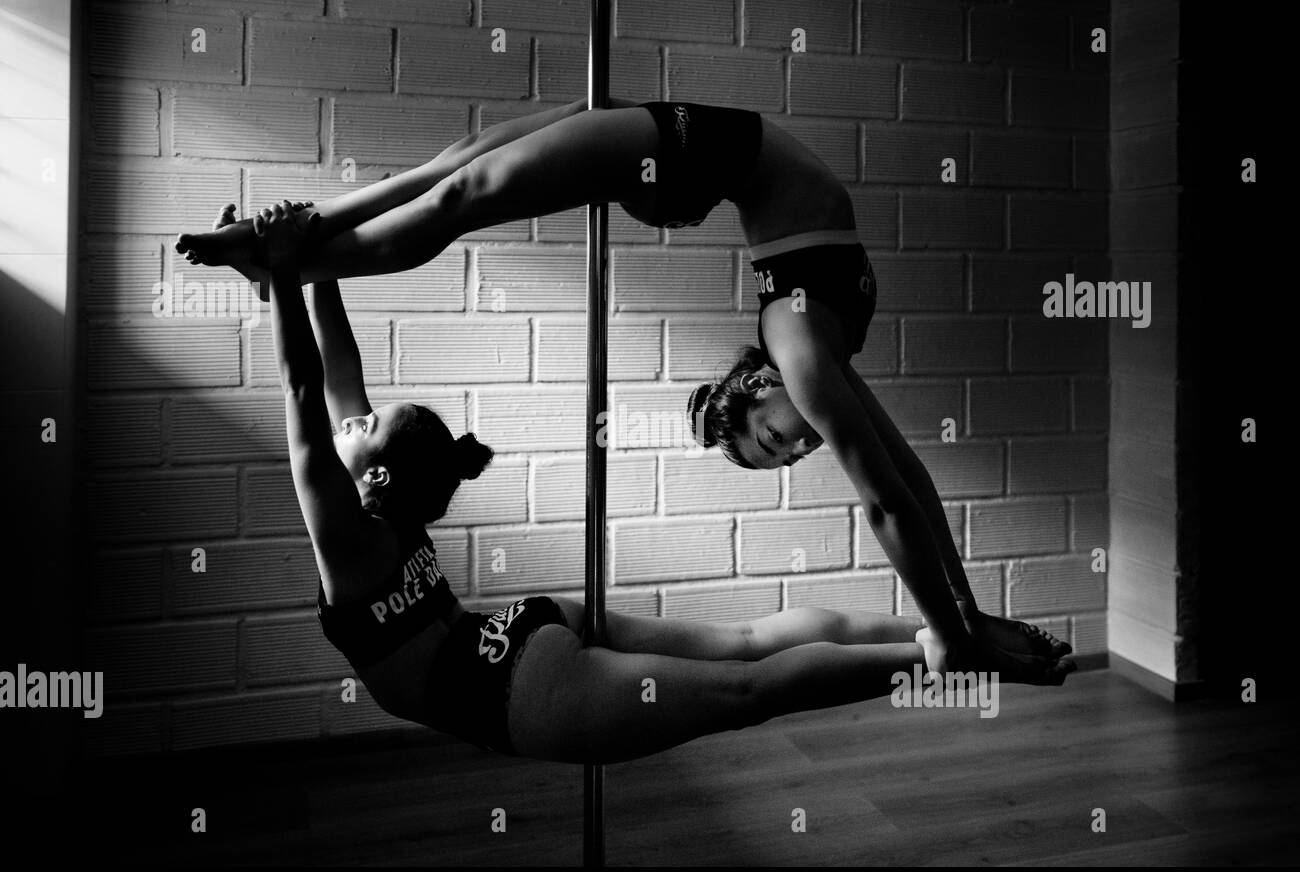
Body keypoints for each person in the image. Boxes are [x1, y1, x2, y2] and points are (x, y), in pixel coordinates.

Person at [177, 99, 1070, 678]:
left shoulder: (808, 352)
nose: (798, 445)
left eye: (775, 446)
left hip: (690, 163)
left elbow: (901, 488)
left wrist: (966, 622)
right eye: (779, 443)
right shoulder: (800, 348)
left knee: (462, 176)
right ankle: (281, 247)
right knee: (465, 174)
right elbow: (889, 497)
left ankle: (283, 251)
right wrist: (955, 631)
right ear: (756, 385)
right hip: (694, 156)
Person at [240, 198, 1073, 765]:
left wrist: (294, 271)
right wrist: (299, 269)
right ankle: (939, 633)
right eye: (362, 422)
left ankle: (940, 652)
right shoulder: (375, 504)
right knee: (741, 648)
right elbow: (331, 384)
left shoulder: (352, 525)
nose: (352, 421)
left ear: (372, 470)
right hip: (526, 629)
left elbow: (309, 389)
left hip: (515, 686)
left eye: (363, 426)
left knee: (746, 686)